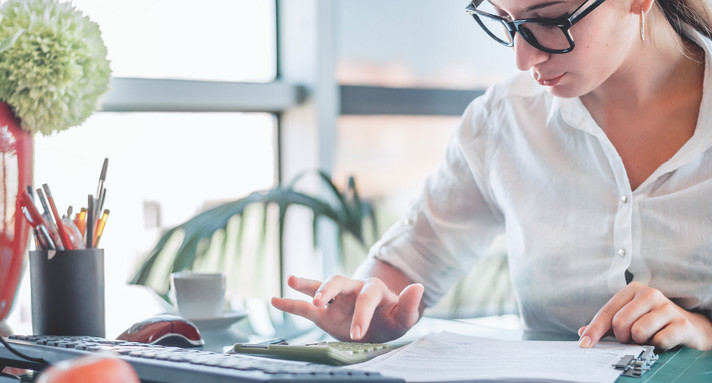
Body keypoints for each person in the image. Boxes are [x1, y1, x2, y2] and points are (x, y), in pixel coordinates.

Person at [272, 0, 712, 351]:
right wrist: (372, 304)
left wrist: (703, 332)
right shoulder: (504, 120)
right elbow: (407, 263)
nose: (523, 58)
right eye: (506, 21)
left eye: (550, 19)